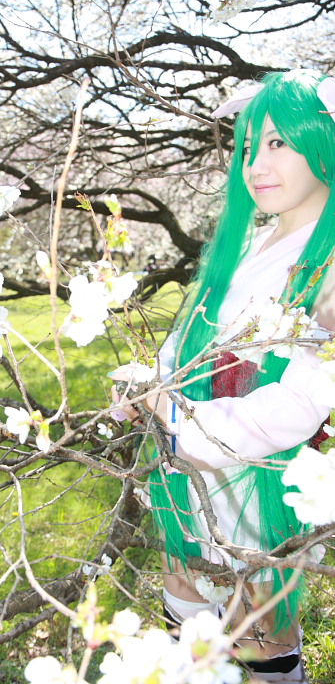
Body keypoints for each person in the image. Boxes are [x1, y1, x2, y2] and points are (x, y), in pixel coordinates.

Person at [111, 69, 335, 683]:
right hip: (187, 466)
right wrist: (148, 382)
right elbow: (191, 341)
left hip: (258, 480)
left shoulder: (329, 261)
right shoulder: (251, 243)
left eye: (279, 143)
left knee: (254, 638)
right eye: (248, 147)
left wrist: (180, 417)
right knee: (187, 617)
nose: (256, 165)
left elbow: (304, 399)